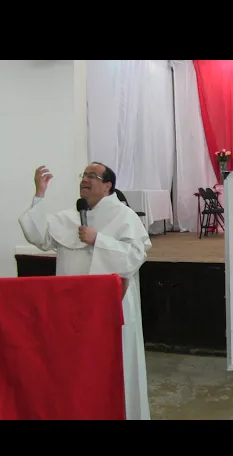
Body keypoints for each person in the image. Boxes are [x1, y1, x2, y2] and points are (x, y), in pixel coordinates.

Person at [18, 162, 152, 420]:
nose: (85, 180)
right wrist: (39, 194)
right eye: (84, 175)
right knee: (76, 369)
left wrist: (98, 240)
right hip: (73, 309)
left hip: (111, 309)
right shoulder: (69, 218)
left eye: (93, 176)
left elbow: (135, 256)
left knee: (113, 368)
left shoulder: (124, 216)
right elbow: (38, 237)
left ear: (108, 185)